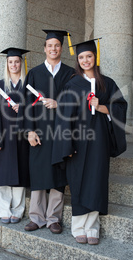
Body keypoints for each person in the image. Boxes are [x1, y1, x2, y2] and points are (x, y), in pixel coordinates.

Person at [52, 39, 127, 244]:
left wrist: (102, 107)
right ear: (78, 60)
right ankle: (79, 227)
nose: (86, 60)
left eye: (89, 56)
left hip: (99, 141)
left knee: (96, 181)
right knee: (78, 181)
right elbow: (63, 117)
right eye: (82, 57)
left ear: (96, 57)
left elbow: (120, 106)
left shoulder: (107, 83)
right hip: (77, 142)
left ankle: (93, 226)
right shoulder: (72, 84)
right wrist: (65, 145)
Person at [19, 30, 74, 234]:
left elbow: (76, 101)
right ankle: (36, 217)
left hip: (61, 132)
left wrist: (58, 103)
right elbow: (26, 105)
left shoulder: (70, 73)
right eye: (50, 45)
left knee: (58, 174)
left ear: (61, 48)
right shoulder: (34, 73)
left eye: (57, 45)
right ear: (44, 48)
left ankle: (53, 219)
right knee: (39, 172)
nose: (53, 49)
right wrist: (29, 132)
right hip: (39, 132)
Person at [0, 47, 30, 224]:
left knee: (19, 174)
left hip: (21, 136)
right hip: (3, 135)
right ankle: (4, 209)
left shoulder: (27, 85)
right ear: (7, 64)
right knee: (3, 175)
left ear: (21, 63)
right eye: (10, 62)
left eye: (16, 61)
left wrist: (23, 109)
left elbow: (36, 109)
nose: (14, 65)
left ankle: (17, 210)